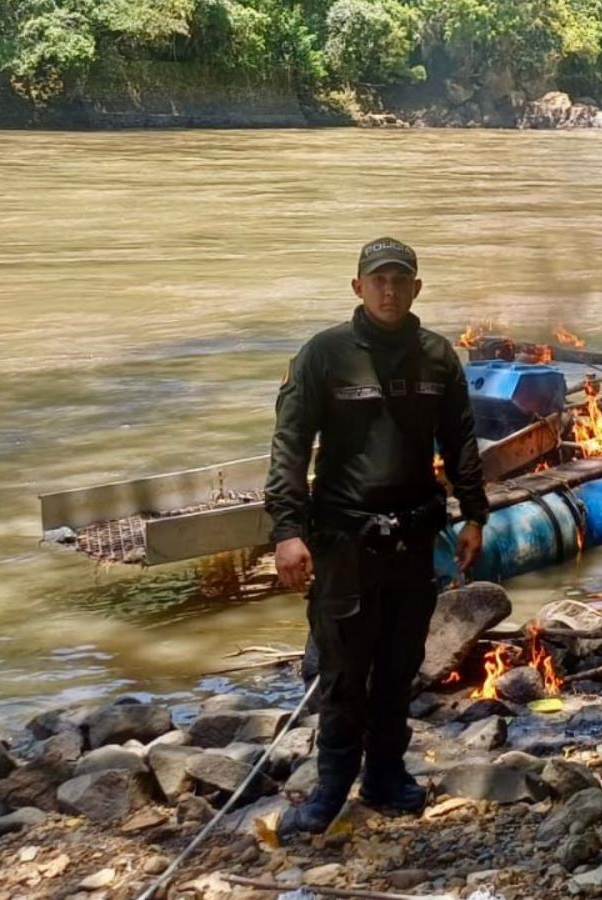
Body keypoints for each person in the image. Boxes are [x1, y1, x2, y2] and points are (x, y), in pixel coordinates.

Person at [265, 237, 489, 834]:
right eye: (378, 280)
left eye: (400, 280)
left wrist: (475, 515)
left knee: (399, 664)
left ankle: (387, 772)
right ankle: (331, 784)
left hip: (415, 540)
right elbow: (289, 448)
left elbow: (461, 441)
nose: (389, 290)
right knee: (342, 669)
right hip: (344, 543)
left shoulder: (438, 357)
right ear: (357, 286)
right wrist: (288, 532)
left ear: (416, 288)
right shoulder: (324, 355)